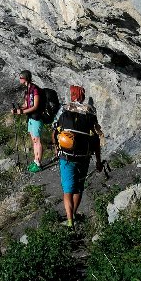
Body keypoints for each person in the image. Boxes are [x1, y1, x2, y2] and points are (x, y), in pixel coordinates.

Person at [52, 84, 103, 228]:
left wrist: (57, 147)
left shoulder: (64, 108)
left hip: (66, 156)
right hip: (84, 156)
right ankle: (73, 215)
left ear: (72, 95)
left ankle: (69, 221)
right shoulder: (90, 111)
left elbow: (54, 131)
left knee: (67, 190)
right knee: (78, 187)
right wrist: (98, 161)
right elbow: (96, 138)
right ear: (83, 96)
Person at [14, 69, 44, 173]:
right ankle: (36, 161)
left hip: (36, 117)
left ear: (25, 78)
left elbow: (35, 106)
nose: (19, 79)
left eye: (20, 77)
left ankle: (38, 163)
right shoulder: (27, 89)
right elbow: (27, 105)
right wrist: (19, 109)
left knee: (37, 140)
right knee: (34, 140)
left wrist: (22, 112)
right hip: (30, 117)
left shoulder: (34, 89)